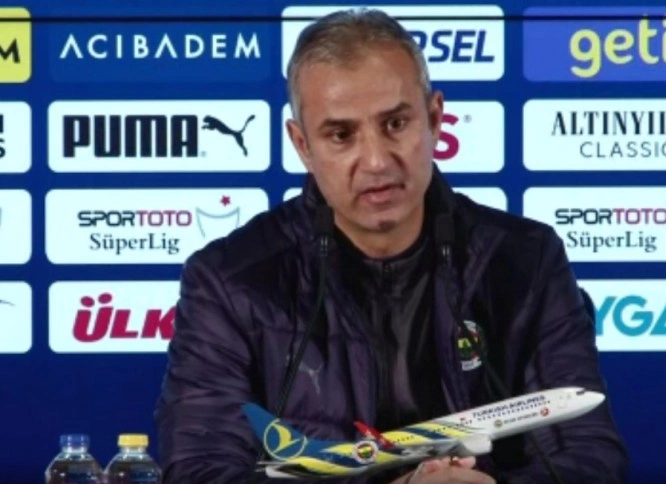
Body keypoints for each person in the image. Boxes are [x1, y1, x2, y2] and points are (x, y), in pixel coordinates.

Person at [154, 7, 629, 484]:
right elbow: (199, 470)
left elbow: (589, 457)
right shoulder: (230, 279)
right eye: (341, 135)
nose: (377, 161)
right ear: (302, 145)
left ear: (435, 119)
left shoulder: (525, 259)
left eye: (396, 124)